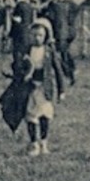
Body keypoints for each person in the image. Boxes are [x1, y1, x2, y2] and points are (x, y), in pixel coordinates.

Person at [15, 17, 63, 156]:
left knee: (45, 115)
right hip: (31, 87)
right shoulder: (26, 50)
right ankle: (33, 143)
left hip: (44, 88)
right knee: (31, 115)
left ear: (46, 36)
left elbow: (58, 70)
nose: (37, 38)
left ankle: (44, 142)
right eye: (34, 35)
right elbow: (19, 67)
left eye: (40, 35)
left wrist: (61, 90)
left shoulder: (49, 51)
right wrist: (23, 74)